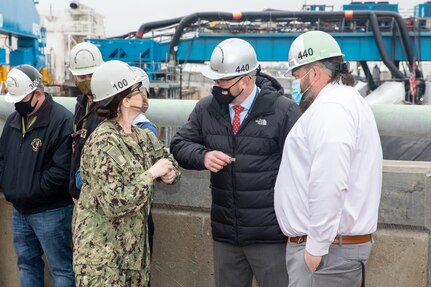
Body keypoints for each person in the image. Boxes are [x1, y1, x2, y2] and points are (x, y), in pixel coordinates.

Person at [170, 38, 301, 287]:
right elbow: (179, 144)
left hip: (270, 236)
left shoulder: (284, 112)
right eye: (215, 81)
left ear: (247, 79)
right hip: (226, 235)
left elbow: (302, 168)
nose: (217, 87)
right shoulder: (206, 108)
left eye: (223, 81)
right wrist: (203, 156)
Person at [274, 30, 383, 287]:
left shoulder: (331, 109)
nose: (297, 85)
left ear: (314, 73)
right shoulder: (345, 102)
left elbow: (330, 180)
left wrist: (316, 247)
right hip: (331, 250)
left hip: (326, 254)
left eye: (298, 76)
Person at [73, 60, 180, 287]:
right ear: (125, 100)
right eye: (137, 88)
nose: (143, 93)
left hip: (132, 254)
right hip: (103, 259)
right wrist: (151, 174)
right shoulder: (103, 141)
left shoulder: (141, 136)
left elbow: (166, 159)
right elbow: (114, 202)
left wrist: (169, 174)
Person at [0, 64, 75, 286]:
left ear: (38, 94)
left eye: (21, 99)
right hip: (20, 211)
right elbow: (2, 159)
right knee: (26, 264)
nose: (17, 105)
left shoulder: (62, 120)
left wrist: (28, 190)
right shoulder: (14, 121)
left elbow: (62, 171)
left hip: (51, 211)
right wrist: (10, 187)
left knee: (61, 269)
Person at [68, 41, 104, 203]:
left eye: (92, 75)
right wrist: (74, 189)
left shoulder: (111, 107)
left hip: (99, 197)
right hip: (81, 194)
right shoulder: (81, 105)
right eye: (83, 77)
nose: (88, 80)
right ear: (74, 78)